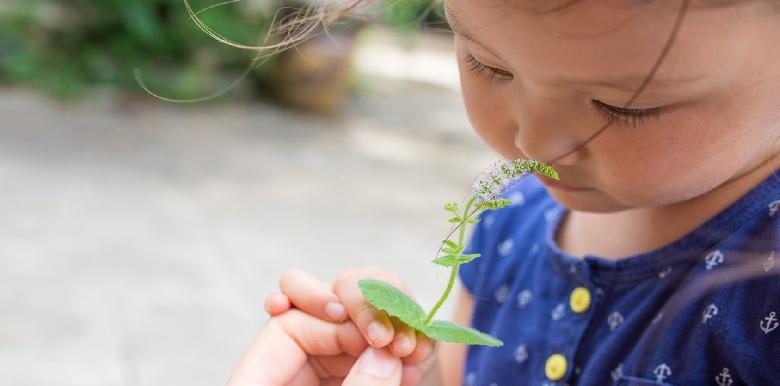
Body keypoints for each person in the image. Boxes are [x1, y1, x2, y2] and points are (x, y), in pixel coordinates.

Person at [226, 0, 780, 385]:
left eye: (625, 107)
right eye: (486, 64)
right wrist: (409, 369)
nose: (531, 142)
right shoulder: (507, 216)